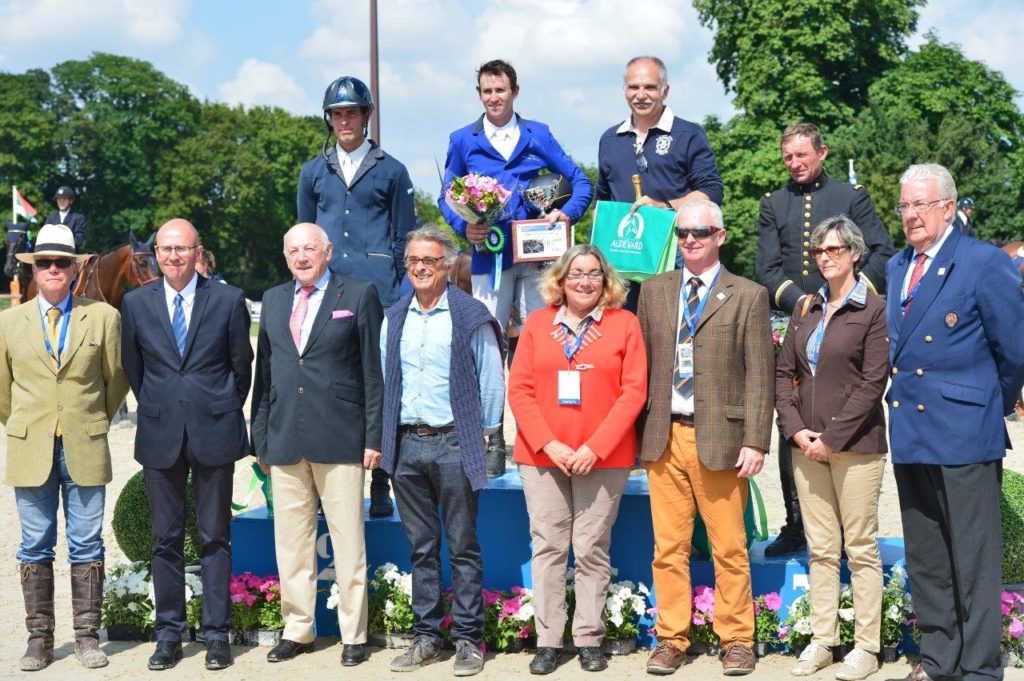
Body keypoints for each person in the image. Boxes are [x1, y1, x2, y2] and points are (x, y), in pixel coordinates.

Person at [885, 164, 1024, 681]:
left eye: (921, 204)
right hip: (912, 432)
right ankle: (939, 660)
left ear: (948, 206)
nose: (911, 215)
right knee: (928, 560)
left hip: (965, 431)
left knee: (973, 561)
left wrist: (983, 402)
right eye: (904, 205)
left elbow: (1013, 350)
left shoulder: (983, 262)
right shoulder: (899, 265)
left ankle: (981, 668)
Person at [636, 200, 773, 676]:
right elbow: (640, 369)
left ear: (721, 234)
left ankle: (736, 638)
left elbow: (761, 376)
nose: (690, 239)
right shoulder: (653, 292)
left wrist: (756, 441)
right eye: (683, 232)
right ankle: (672, 637)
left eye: (701, 231)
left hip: (722, 439)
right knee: (667, 548)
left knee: (729, 548)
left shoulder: (750, 295)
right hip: (663, 435)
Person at [438, 58, 593, 477]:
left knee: (541, 344)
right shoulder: (462, 140)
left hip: (539, 256)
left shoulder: (537, 134)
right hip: (490, 259)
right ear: (480, 95)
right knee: (488, 346)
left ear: (515, 92)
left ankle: (540, 434)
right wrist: (463, 225)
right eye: (487, 92)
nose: (494, 98)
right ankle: (492, 437)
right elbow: (445, 197)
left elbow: (580, 182)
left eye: (500, 91)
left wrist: (568, 214)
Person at [755, 122, 895, 557]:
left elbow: (883, 252)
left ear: (822, 153)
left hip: (847, 319)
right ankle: (796, 522)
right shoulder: (772, 204)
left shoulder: (852, 197)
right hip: (797, 319)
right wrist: (802, 302)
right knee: (790, 417)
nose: (795, 164)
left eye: (802, 155)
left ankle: (841, 518)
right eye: (788, 158)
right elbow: (767, 269)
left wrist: (850, 298)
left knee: (845, 402)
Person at [507, 244, 647, 674]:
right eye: (576, 273)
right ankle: (548, 641)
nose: (584, 281)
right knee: (548, 547)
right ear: (560, 280)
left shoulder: (625, 325)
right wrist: (550, 444)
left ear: (606, 282)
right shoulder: (537, 322)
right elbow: (520, 390)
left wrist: (594, 447)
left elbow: (633, 393)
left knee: (590, 548)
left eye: (593, 274)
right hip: (542, 455)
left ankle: (588, 638)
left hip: (602, 459)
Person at [121, 218, 253, 671]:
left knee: (216, 537)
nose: (173, 256)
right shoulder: (136, 303)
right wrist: (164, 407)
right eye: (166, 249)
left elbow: (242, 370)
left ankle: (217, 636)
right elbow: (133, 369)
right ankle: (170, 635)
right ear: (156, 253)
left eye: (182, 249)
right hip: (160, 433)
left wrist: (212, 408)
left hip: (214, 430)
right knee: (165, 540)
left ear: (198, 252)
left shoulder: (229, 299)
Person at [250, 223, 382, 667]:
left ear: (327, 251)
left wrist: (372, 437)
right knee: (291, 543)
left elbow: (372, 374)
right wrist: (260, 438)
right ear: (285, 256)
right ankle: (297, 629)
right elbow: (264, 377)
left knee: (348, 541)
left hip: (342, 437)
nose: (301, 257)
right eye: (293, 250)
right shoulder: (272, 299)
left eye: (309, 248)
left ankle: (353, 635)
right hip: (285, 438)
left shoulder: (359, 294)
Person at [0, 224, 127, 671]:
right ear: (34, 269)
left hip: (85, 442)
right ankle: (39, 640)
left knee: (87, 543)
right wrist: (28, 425)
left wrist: (89, 421)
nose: (54, 270)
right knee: (34, 545)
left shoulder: (105, 317)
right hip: (29, 445)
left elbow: (116, 383)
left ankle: (87, 638)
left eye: (63, 262)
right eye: (46, 263)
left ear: (77, 269)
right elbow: (2, 392)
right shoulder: (8, 323)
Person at [379, 227, 504, 677]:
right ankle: (427, 637)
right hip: (406, 445)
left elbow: (491, 381)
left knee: (464, 546)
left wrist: (488, 435)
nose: (420, 267)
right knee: (421, 547)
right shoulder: (394, 316)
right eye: (413, 259)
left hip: (455, 443)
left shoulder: (471, 315)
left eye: (429, 260)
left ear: (447, 264)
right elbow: (386, 379)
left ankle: (469, 640)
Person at [774, 217, 889, 680]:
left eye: (835, 250)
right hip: (806, 447)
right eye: (820, 251)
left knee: (859, 548)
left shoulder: (873, 309)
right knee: (822, 549)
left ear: (855, 253)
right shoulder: (807, 308)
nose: (826, 257)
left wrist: (832, 438)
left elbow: (873, 382)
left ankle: (866, 646)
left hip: (857, 447)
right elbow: (784, 375)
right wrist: (797, 430)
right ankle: (823, 640)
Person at [297, 74, 416, 517]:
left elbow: (404, 237)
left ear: (366, 116)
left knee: (379, 383)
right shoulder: (313, 171)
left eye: (352, 113)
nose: (345, 121)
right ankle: (329, 479)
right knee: (329, 381)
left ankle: (382, 480)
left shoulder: (392, 169)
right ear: (329, 120)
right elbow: (304, 234)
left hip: (378, 290)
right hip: (326, 289)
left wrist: (400, 293)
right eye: (337, 114)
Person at [596, 55, 724, 312]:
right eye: (634, 87)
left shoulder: (689, 135)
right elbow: (604, 201)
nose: (640, 94)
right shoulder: (609, 139)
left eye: (650, 87)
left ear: (665, 91)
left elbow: (712, 191)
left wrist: (664, 206)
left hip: (674, 256)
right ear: (624, 90)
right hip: (624, 263)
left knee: (671, 336)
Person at [43, 186, 87, 251]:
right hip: (51, 252)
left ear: (71, 201)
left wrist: (63, 248)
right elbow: (45, 236)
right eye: (59, 199)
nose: (61, 202)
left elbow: (79, 239)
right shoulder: (51, 218)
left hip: (70, 253)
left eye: (64, 199)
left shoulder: (78, 218)